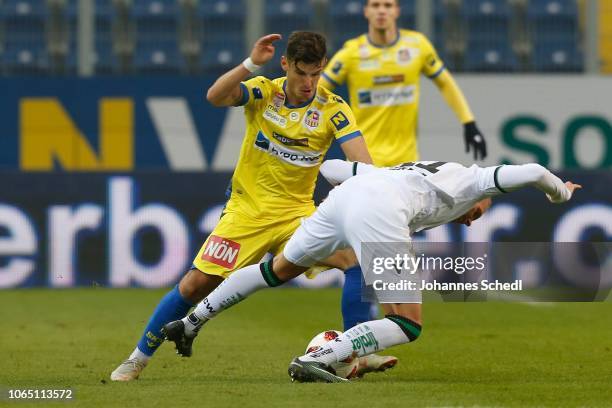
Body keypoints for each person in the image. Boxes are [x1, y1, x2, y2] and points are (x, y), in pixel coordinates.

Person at [161, 159, 581, 382]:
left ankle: (193, 320)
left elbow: (331, 169)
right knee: (408, 324)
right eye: (477, 213)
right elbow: (532, 172)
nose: (471, 218)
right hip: (379, 210)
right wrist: (560, 193)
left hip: (346, 198)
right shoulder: (475, 179)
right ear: (484, 194)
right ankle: (321, 357)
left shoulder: (415, 171)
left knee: (278, 269)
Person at [110, 31, 373, 381]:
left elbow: (363, 165)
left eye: (316, 73)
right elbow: (215, 96)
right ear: (285, 65)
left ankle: (354, 351)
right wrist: (250, 64)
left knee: (355, 260)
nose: (309, 83)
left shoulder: (333, 110)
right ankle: (136, 359)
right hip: (246, 211)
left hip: (297, 216)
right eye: (301, 73)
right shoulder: (265, 91)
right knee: (194, 286)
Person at [320, 0, 488, 347]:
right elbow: (316, 90)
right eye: (375, 5)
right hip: (363, 168)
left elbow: (446, 83)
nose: (382, 10)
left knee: (373, 263)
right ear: (366, 12)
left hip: (405, 173)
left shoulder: (417, 47)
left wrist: (468, 121)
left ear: (397, 11)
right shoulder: (351, 54)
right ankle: (358, 342)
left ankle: (359, 340)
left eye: (389, 4)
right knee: (361, 261)